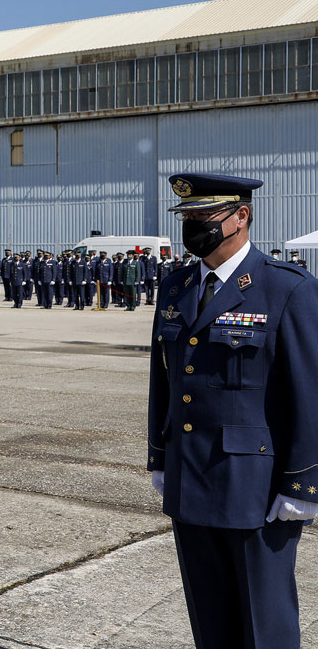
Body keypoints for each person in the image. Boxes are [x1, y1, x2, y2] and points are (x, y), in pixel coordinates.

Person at [148, 172, 318, 648]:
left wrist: (304, 483)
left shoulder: (287, 288)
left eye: (205, 216)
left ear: (241, 216)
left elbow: (309, 392)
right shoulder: (176, 286)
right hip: (189, 474)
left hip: (255, 488)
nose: (194, 226)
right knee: (210, 614)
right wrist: (160, 455)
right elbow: (164, 379)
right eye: (188, 217)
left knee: (265, 623)